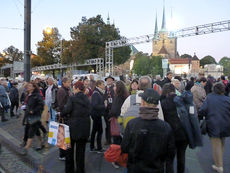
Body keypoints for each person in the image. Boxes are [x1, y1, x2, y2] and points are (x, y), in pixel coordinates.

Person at [121, 88, 175, 173]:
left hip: (135, 169)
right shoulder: (166, 127)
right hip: (156, 169)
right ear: (157, 105)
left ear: (142, 103)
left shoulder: (132, 124)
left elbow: (124, 148)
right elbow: (170, 154)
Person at [199, 83, 230, 173]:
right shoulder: (227, 99)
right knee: (221, 143)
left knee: (216, 144)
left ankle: (219, 166)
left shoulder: (209, 98)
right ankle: (219, 159)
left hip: (213, 124)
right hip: (226, 124)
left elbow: (203, 110)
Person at [62, 81, 91, 173]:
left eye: (74, 88)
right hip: (84, 128)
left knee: (69, 152)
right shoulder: (87, 99)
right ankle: (80, 170)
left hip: (72, 128)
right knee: (81, 152)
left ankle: (69, 170)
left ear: (78, 88)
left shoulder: (72, 98)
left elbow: (66, 110)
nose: (73, 90)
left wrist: (62, 112)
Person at [161, 84, 188, 173]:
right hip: (183, 133)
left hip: (170, 134)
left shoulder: (163, 103)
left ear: (166, 92)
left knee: (169, 159)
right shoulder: (183, 100)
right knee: (182, 156)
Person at [20, 82, 45, 155]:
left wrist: (33, 110)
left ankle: (26, 148)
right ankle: (41, 142)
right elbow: (26, 103)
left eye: (30, 86)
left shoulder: (37, 95)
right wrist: (25, 107)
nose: (28, 87)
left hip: (34, 116)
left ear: (33, 87)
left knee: (31, 132)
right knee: (35, 131)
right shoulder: (28, 94)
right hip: (28, 116)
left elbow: (41, 105)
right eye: (28, 86)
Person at [57, 77, 72, 161]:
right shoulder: (62, 91)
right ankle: (62, 154)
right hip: (64, 116)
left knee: (64, 135)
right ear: (63, 83)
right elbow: (61, 104)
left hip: (66, 115)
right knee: (62, 136)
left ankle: (64, 153)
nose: (69, 84)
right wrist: (65, 111)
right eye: (68, 82)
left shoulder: (66, 90)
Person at [90, 80, 106, 153]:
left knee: (94, 131)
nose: (104, 86)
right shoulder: (96, 93)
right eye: (103, 84)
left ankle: (92, 147)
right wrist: (104, 106)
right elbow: (95, 105)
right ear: (99, 85)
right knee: (99, 131)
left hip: (96, 114)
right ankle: (99, 148)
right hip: (96, 114)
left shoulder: (97, 92)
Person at [104, 75, 115, 145]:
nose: (109, 81)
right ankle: (108, 139)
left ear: (112, 81)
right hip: (106, 109)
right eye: (108, 80)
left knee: (113, 124)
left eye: (110, 80)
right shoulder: (104, 88)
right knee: (107, 125)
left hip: (113, 108)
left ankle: (114, 138)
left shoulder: (114, 88)